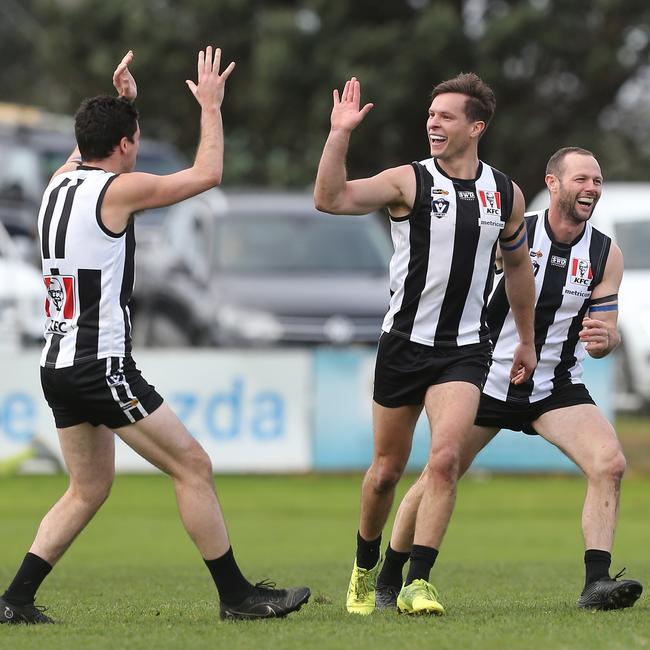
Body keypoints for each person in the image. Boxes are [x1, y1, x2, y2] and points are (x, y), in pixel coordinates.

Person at [0, 48, 310, 625]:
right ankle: (237, 597)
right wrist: (211, 106)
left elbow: (88, 146)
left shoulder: (57, 183)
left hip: (58, 365)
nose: (137, 147)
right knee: (194, 465)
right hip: (100, 365)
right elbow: (208, 175)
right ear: (124, 146)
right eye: (134, 137)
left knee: (88, 489)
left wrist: (123, 103)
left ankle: (13, 600)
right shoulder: (115, 191)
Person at [376, 147, 643, 613]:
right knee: (440, 473)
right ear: (553, 183)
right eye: (581, 179)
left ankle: (596, 583)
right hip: (485, 376)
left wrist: (607, 339)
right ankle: (389, 578)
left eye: (597, 181)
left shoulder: (605, 253)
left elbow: (606, 329)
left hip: (554, 387)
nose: (592, 189)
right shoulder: (514, 232)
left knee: (610, 463)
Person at [314, 73, 537, 616]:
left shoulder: (505, 193)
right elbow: (330, 198)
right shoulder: (407, 182)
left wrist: (526, 340)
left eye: (446, 116)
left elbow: (517, 268)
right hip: (403, 345)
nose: (433, 123)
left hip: (464, 350)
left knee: (444, 461)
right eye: (431, 115)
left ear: (476, 126)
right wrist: (340, 133)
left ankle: (419, 582)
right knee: (387, 471)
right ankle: (365, 568)